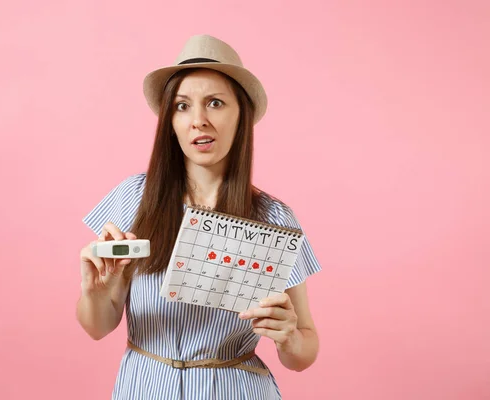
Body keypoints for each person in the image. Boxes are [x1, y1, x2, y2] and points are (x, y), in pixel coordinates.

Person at [77, 34, 322, 399]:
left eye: (215, 103)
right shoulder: (133, 197)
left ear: (242, 115)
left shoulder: (274, 217)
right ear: (169, 121)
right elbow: (97, 327)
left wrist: (288, 335)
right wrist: (96, 293)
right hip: (145, 387)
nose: (198, 121)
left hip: (235, 388)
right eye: (182, 106)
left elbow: (304, 352)